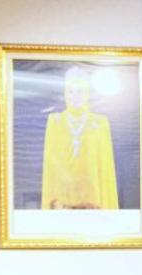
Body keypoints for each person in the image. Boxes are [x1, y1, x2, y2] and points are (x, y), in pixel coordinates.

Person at [40, 66, 119, 210]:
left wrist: (108, 209)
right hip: (61, 203)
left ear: (87, 93)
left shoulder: (100, 123)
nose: (75, 96)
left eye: (80, 91)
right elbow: (50, 166)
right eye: (70, 91)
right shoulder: (54, 121)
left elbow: (106, 168)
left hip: (93, 204)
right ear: (65, 94)